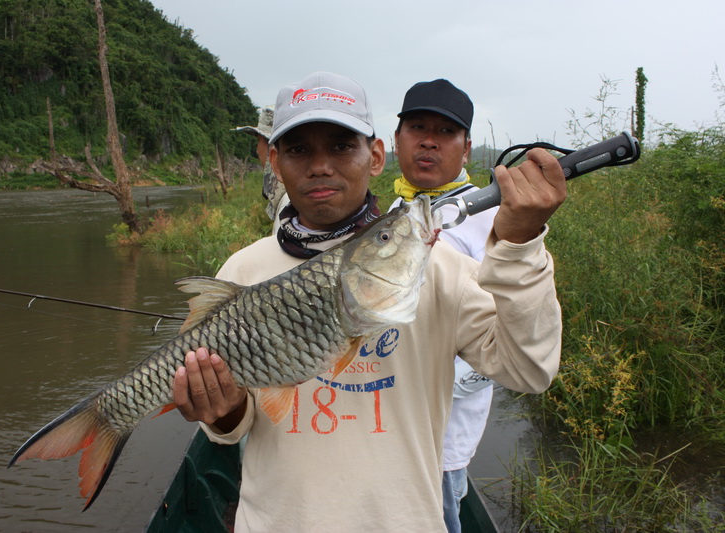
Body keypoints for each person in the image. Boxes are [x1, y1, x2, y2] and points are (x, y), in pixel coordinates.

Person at [172, 71, 566, 532]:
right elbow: (232, 426)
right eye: (299, 150)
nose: (320, 166)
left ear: (376, 156)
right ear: (275, 163)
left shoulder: (441, 269)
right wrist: (222, 409)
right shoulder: (243, 270)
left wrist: (520, 247)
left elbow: (531, 371)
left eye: (341, 146)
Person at [391, 78, 496, 532]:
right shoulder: (394, 212)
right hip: (389, 425)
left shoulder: (493, 220)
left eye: (446, 132)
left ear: (466, 148)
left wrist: (432, 377)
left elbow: (500, 342)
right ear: (396, 141)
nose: (429, 140)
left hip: (442, 439)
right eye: (417, 127)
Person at [233, 106, 288, 233]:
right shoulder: (294, 194)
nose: (257, 151)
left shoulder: (288, 204)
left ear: (272, 150)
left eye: (258, 141)